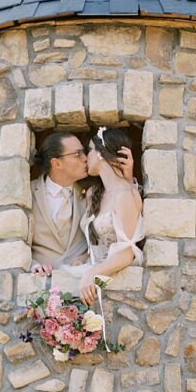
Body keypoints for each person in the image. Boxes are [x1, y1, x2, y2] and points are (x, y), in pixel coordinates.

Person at [57, 128, 145, 308]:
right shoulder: (93, 193)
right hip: (91, 269)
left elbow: (127, 252)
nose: (84, 157)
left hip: (112, 275)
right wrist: (82, 258)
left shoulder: (126, 195)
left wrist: (92, 273)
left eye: (88, 150)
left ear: (100, 154)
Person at [29, 131, 136, 273]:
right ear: (56, 163)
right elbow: (15, 242)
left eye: (86, 152)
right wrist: (33, 265)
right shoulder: (27, 193)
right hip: (40, 284)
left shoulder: (93, 194)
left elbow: (121, 231)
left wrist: (127, 179)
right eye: (78, 154)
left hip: (85, 279)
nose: (85, 158)